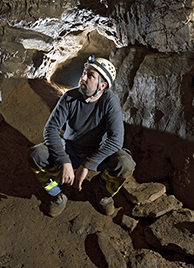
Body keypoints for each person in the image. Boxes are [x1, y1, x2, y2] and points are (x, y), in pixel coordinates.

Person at [28, 55, 136, 217]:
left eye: (90, 75)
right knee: (37, 155)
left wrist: (87, 166)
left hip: (96, 153)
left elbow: (115, 141)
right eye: (84, 72)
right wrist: (64, 161)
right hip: (71, 149)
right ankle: (58, 192)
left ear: (102, 86)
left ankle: (103, 191)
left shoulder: (109, 101)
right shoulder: (69, 97)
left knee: (125, 164)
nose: (83, 77)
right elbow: (51, 129)